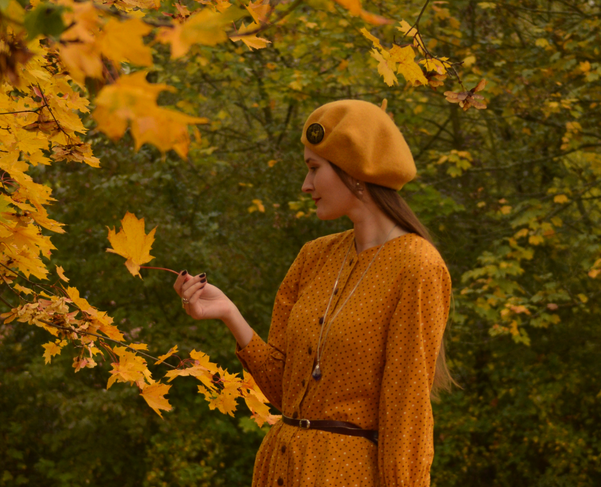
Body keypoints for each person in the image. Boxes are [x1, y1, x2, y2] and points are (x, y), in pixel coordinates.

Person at [174, 100, 453, 487]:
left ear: (354, 171)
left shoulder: (416, 266)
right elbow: (281, 392)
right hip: (280, 468)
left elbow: (406, 410)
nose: (306, 185)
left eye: (313, 168)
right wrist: (230, 315)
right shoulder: (314, 257)